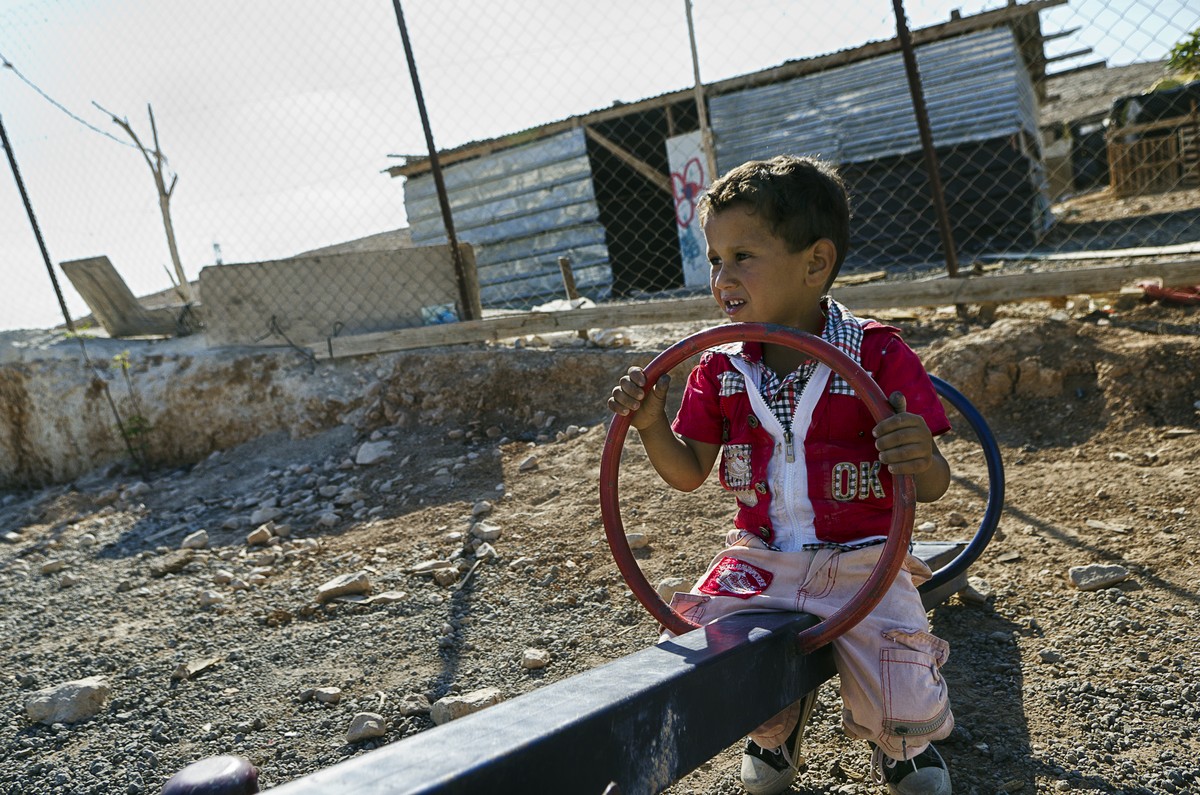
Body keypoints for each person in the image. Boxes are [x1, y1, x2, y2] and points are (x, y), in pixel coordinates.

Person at [607, 155, 954, 795]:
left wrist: (918, 454)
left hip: (863, 558)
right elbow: (687, 473)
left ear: (815, 263)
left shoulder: (878, 356)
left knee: (897, 677)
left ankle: (903, 748)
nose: (722, 276)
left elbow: (931, 484)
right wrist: (653, 423)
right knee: (708, 647)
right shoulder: (719, 369)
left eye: (743, 256)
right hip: (762, 557)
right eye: (715, 258)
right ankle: (774, 729)